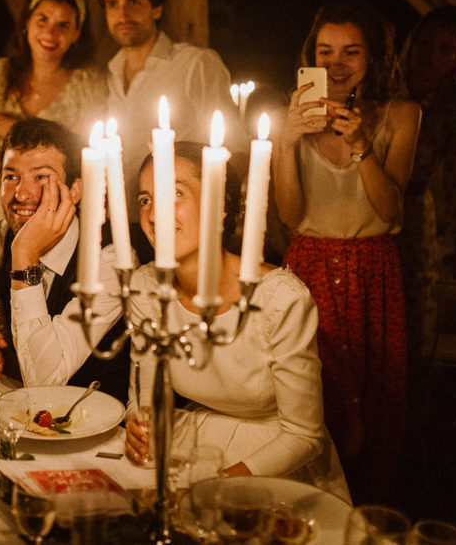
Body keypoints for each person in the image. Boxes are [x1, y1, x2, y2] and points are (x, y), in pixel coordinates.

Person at [123, 144, 349, 501]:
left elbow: (304, 437)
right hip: (193, 447)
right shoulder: (146, 286)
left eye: (175, 193)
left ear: (219, 206)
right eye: (145, 199)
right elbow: (148, 395)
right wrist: (139, 421)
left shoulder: (280, 299)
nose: (153, 214)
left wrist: (218, 485)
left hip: (275, 465)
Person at [272, 0, 420, 504]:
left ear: (372, 57)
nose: (336, 64)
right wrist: (285, 143)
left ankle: (364, 515)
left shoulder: (402, 114)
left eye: (351, 52)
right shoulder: (292, 118)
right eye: (325, 51)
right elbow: (290, 215)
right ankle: (308, 509)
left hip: (372, 269)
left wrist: (361, 146)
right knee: (311, 398)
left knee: (374, 403)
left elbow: (391, 210)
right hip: (309, 268)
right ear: (310, 56)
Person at [0, 118, 131, 403]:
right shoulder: (1, 235)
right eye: (11, 177)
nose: (21, 194)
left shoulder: (109, 256)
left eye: (41, 177)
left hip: (99, 428)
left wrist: (24, 256)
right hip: (27, 417)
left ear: (74, 190)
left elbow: (43, 379)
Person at [90, 0, 248, 258]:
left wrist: (215, 221)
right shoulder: (106, 74)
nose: (122, 13)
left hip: (180, 227)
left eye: (133, 1)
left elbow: (236, 150)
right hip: (117, 228)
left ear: (157, 7)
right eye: (112, 4)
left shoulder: (195, 64)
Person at [0, 0, 105, 219]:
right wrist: (36, 168)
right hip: (6, 208)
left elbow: (78, 154)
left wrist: (14, 130)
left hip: (60, 211)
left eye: (63, 25)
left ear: (76, 34)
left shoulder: (88, 83)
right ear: (26, 24)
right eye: (43, 19)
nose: (50, 33)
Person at [396, 6, 456, 361]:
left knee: (415, 315)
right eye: (426, 44)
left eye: (445, 48)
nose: (432, 55)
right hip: (365, 206)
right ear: (413, 44)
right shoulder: (386, 85)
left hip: (413, 212)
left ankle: (415, 407)